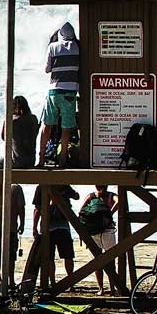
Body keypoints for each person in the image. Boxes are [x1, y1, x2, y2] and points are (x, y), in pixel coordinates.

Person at [39, 22, 79, 167]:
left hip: (54, 91)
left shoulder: (53, 47)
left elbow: (47, 69)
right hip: (70, 92)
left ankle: (42, 158)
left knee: (47, 125)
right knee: (66, 128)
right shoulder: (77, 47)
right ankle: (62, 159)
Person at [33, 183, 79, 288]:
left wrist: (34, 227)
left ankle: (55, 282)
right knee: (64, 256)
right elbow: (76, 196)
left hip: (50, 226)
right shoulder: (63, 185)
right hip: (60, 226)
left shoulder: (42, 186)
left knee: (51, 257)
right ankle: (69, 281)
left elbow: (37, 209)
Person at [79, 185, 119, 295]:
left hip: (93, 231)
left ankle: (101, 289)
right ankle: (112, 288)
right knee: (110, 260)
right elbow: (119, 201)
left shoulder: (90, 196)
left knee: (97, 261)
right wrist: (110, 213)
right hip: (107, 230)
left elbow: (81, 212)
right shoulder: (111, 196)